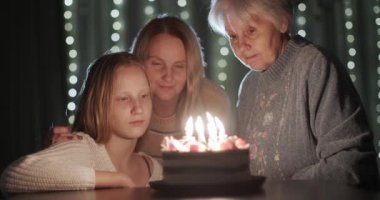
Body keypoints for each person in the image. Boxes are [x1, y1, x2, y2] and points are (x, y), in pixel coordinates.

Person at [208, 0, 378, 188]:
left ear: (282, 21)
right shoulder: (248, 86)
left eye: (251, 31)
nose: (241, 45)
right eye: (233, 36)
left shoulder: (315, 67)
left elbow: (352, 164)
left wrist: (280, 190)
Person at [52, 15, 232, 159]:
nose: (168, 76)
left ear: (191, 68)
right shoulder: (117, 101)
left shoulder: (212, 102)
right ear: (139, 62)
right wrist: (63, 147)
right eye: (157, 64)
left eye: (179, 66)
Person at [0, 52, 162, 193]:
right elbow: (14, 175)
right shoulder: (83, 149)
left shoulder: (153, 169)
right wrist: (116, 179)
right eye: (123, 99)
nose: (138, 108)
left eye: (144, 96)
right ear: (98, 104)